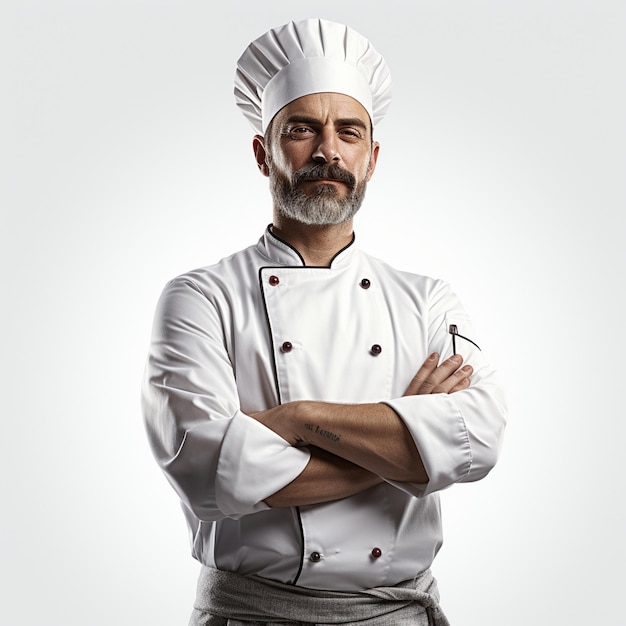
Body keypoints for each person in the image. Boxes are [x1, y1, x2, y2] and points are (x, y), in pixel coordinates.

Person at [142, 17, 507, 626]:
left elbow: (479, 438)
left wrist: (297, 421)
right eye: (302, 130)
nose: (327, 152)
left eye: (349, 132)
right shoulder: (200, 298)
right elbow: (208, 472)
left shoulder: (425, 300)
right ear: (264, 154)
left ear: (372, 158)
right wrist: (409, 444)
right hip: (255, 616)